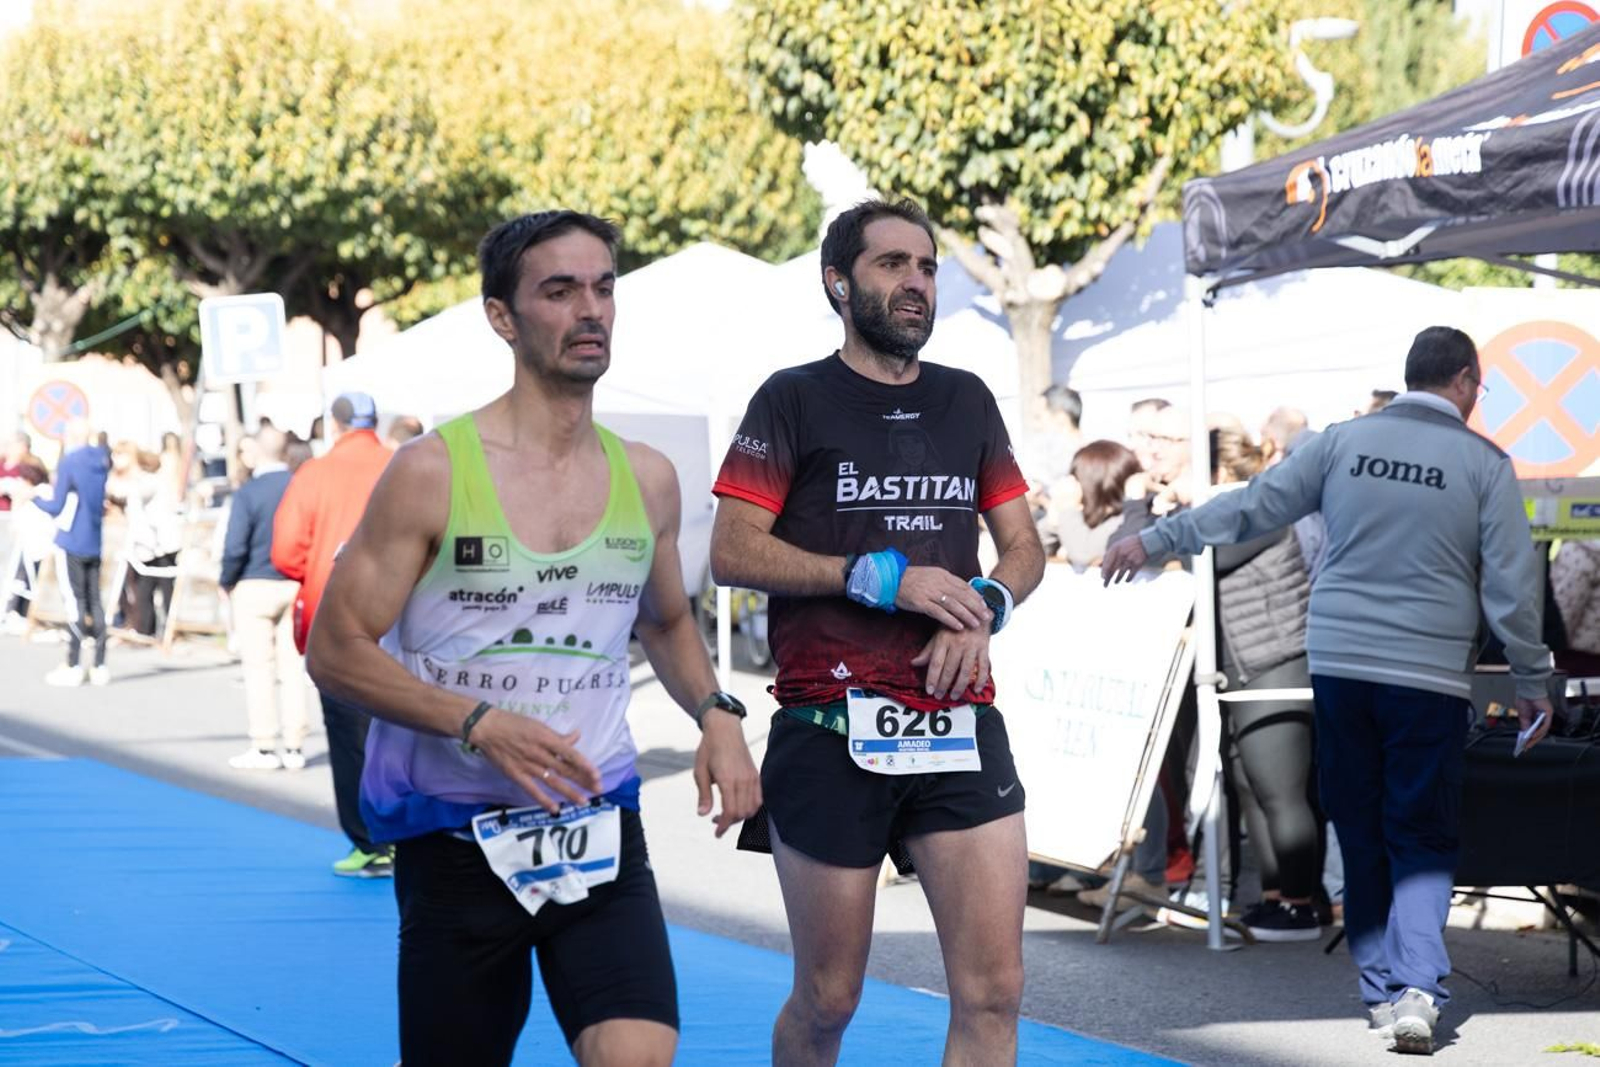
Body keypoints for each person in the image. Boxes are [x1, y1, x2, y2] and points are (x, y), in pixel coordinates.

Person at [307, 210, 760, 1067]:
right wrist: (476, 721)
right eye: (559, 290)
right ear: (503, 317)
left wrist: (717, 712)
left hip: (598, 828)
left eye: (603, 287)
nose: (590, 309)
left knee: (638, 1054)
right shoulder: (433, 471)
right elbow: (334, 649)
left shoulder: (648, 476)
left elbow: (664, 619)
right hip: (455, 836)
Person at [1104, 326, 1554, 1054]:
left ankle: (1381, 987)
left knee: (1360, 821)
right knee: (1423, 833)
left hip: (1340, 663)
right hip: (1429, 674)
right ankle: (1417, 988)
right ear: (1468, 381)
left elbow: (1252, 504)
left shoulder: (1344, 443)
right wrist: (1532, 678)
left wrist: (1155, 539)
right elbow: (1512, 584)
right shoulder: (1483, 462)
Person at [711, 198, 1045, 1066]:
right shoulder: (792, 399)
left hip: (957, 720)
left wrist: (990, 608)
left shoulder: (966, 399)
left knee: (995, 990)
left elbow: (1023, 549)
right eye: (892, 264)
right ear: (838, 282)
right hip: (830, 727)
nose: (915, 283)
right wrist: (869, 575)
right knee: (828, 998)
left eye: (927, 267)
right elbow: (732, 549)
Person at [1206, 429, 1324, 943]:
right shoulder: (1243, 507)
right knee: (1253, 786)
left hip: (1276, 661)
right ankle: (1276, 898)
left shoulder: (1259, 510)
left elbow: (1206, 558)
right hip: (1247, 663)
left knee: (1281, 791)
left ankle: (1301, 904)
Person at [272, 391, 394, 876]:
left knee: (349, 737)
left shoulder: (316, 474)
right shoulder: (404, 464)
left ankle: (370, 845)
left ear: (336, 424)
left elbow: (285, 552)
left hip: (338, 618)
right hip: (406, 620)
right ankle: (412, 838)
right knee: (410, 732)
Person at [221, 427, 310, 771]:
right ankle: (294, 744)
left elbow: (235, 545)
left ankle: (263, 744)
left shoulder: (249, 492)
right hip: (294, 582)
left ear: (257, 451)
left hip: (254, 582)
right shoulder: (299, 487)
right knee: (292, 666)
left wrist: (227, 580)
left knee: (259, 667)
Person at [34, 419, 112, 686]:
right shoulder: (102, 460)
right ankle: (100, 664)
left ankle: (74, 663)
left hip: (72, 539)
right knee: (95, 601)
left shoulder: (70, 462)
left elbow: (56, 505)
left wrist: (34, 497)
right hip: (94, 538)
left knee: (74, 602)